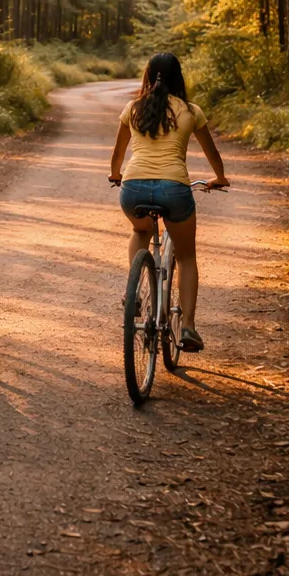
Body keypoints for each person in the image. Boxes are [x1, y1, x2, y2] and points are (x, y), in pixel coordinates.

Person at [107, 52, 229, 352]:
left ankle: (134, 292)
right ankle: (187, 327)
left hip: (133, 188)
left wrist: (115, 175)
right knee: (186, 256)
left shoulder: (133, 108)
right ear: (179, 77)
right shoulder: (190, 110)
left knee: (140, 231)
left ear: (147, 76)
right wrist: (220, 178)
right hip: (174, 189)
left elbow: (117, 154)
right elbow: (212, 153)